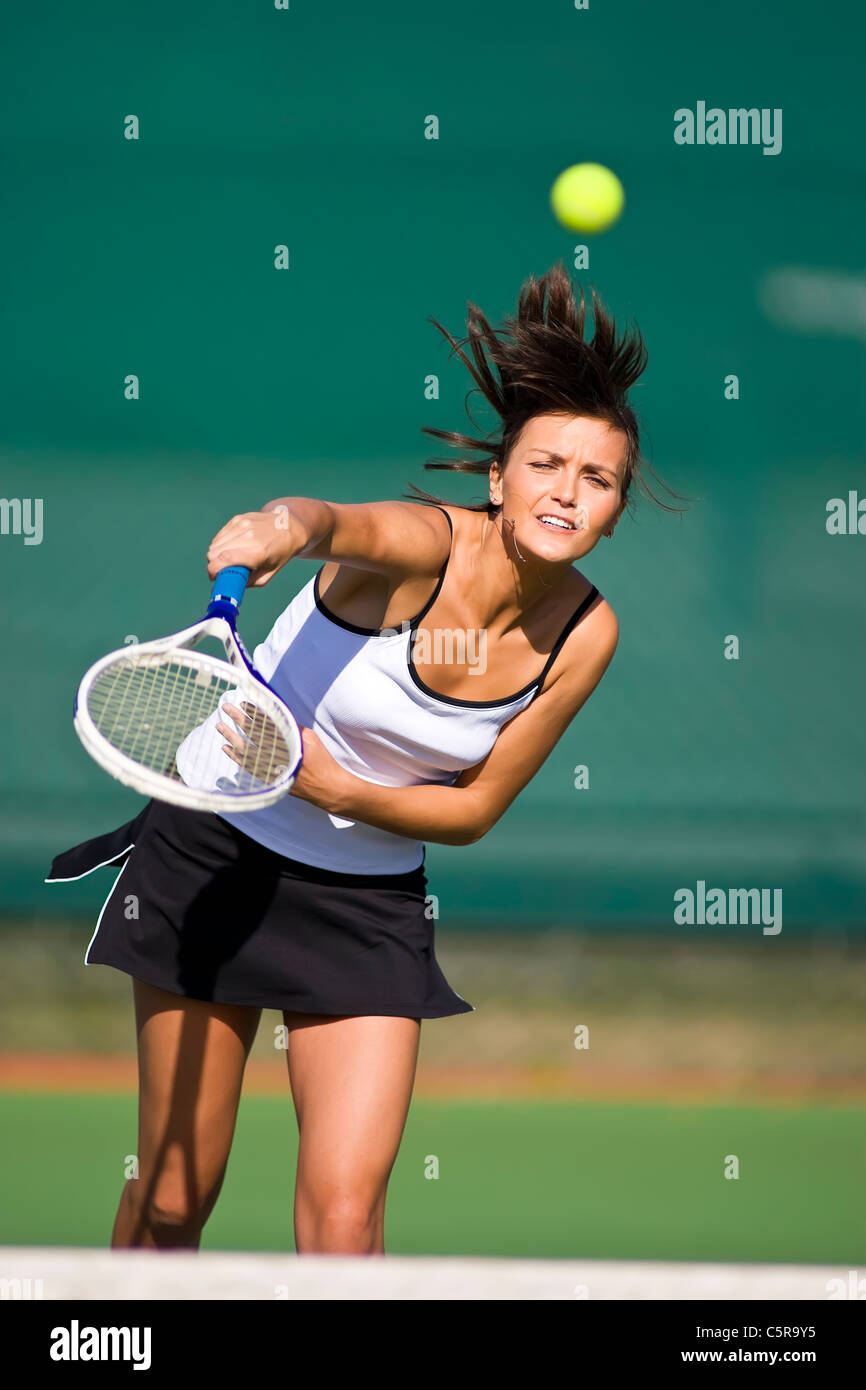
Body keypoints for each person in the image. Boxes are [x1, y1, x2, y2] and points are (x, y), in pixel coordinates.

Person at [46, 260, 683, 1255]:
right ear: (496, 477)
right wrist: (276, 527)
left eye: (594, 479)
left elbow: (472, 812)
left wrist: (335, 786)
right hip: (217, 858)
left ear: (613, 509)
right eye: (545, 465)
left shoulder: (586, 632)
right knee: (173, 1200)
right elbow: (330, 523)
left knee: (344, 1224)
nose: (566, 492)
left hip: (364, 907)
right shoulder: (424, 548)